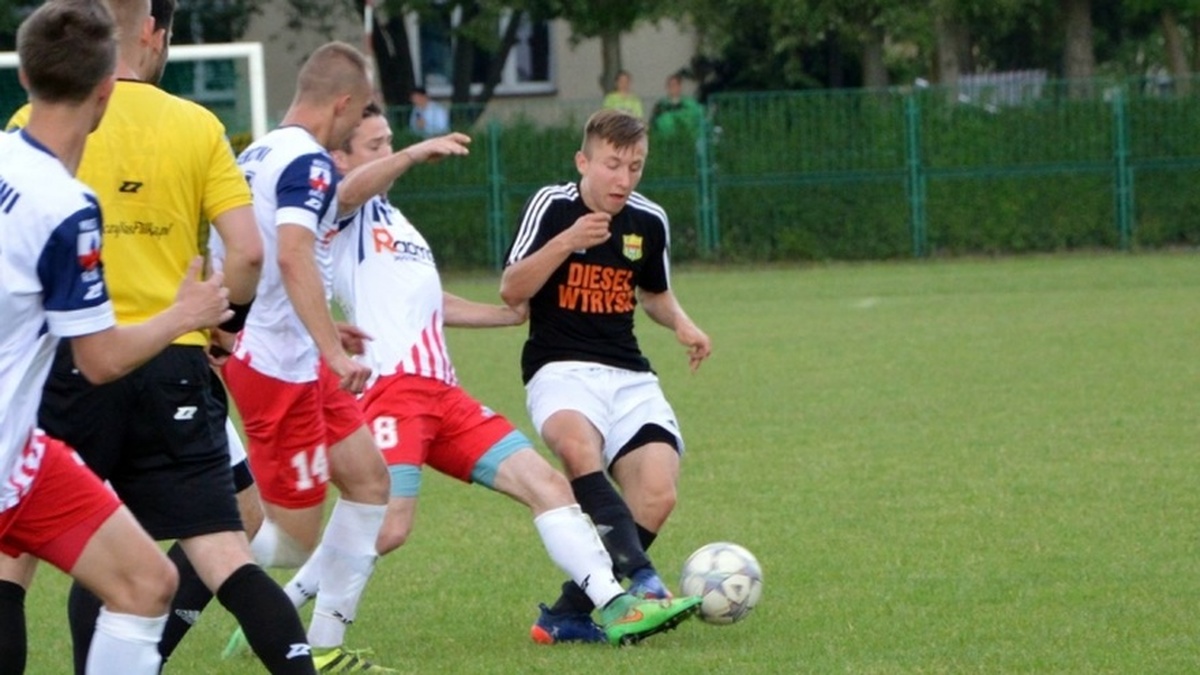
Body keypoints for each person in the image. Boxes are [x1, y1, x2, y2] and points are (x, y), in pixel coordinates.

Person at [222, 104, 701, 652]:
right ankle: (277, 608)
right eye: (375, 145)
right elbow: (349, 191)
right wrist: (412, 154)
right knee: (388, 526)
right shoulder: (344, 210)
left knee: (547, 486)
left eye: (389, 142)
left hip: (444, 393)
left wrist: (504, 315)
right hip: (395, 391)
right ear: (339, 160)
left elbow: (428, 301)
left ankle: (614, 605)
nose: (387, 153)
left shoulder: (396, 221)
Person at [2, 1, 317, 673]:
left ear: (25, 76)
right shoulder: (89, 194)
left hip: (52, 393)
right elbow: (245, 254)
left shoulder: (15, 143)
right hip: (146, 368)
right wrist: (204, 316)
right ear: (107, 86)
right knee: (218, 550)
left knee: (76, 568)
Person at [499, 109, 713, 642]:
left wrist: (683, 324)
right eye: (613, 165)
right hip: (559, 370)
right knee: (578, 451)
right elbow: (511, 289)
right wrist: (568, 240)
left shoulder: (648, 220)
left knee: (658, 494)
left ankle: (566, 615)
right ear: (584, 161)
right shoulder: (552, 207)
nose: (624, 179)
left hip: (629, 376)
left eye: (635, 167)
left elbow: (654, 294)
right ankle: (643, 581)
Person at [219, 40, 396, 673]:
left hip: (293, 351)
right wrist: (331, 349)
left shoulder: (258, 151)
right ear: (342, 104)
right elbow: (292, 253)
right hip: (278, 366)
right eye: (361, 114)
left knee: (370, 482)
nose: (357, 129)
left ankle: (324, 646)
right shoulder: (311, 163)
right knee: (290, 543)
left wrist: (322, 330)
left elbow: (267, 258)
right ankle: (182, 565)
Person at [650, 73, 704, 139]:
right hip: (666, 141)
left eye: (674, 85)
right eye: (669, 85)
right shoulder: (661, 106)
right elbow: (653, 125)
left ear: (680, 87)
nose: (672, 87)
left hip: (686, 140)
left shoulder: (691, 105)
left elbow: (698, 124)